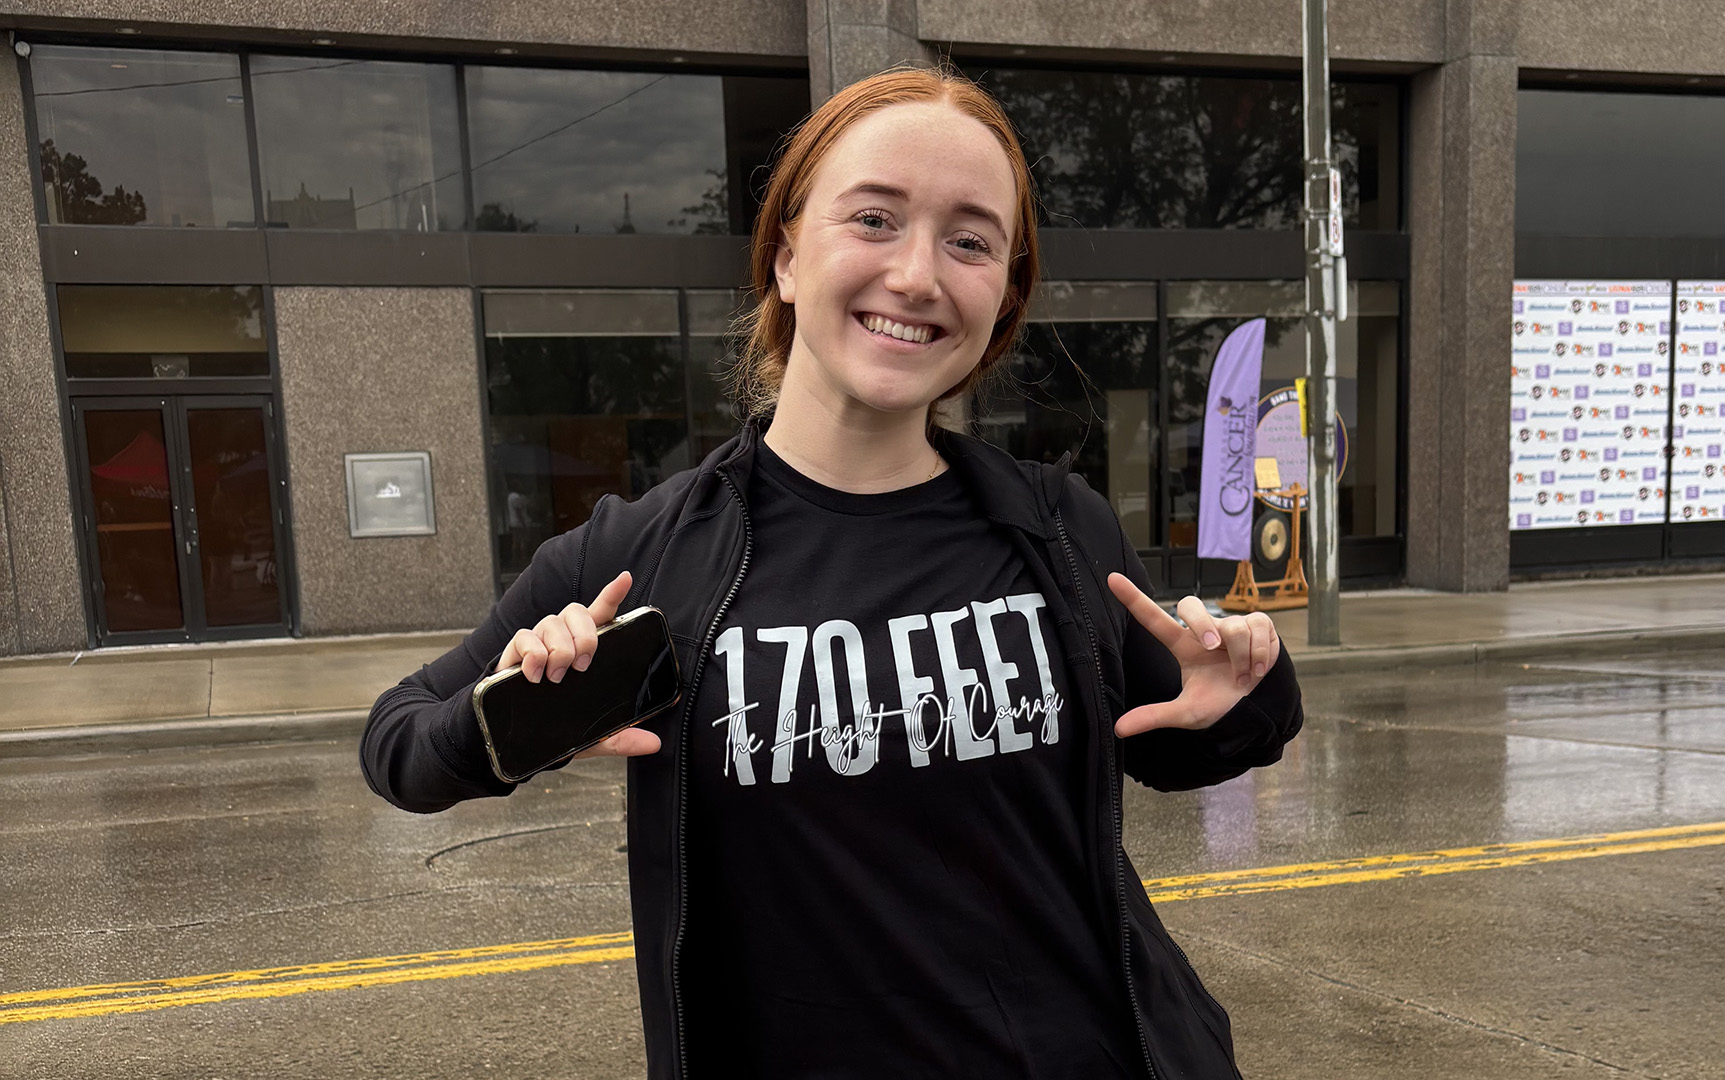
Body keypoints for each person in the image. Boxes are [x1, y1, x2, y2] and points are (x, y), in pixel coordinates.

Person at [362, 65, 1303, 1080]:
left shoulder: (1056, 527)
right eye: (874, 219)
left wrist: (1248, 691)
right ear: (785, 258)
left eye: (970, 240)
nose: (917, 275)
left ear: (1002, 296)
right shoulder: (644, 555)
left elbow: (1178, 749)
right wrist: (520, 710)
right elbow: (400, 743)